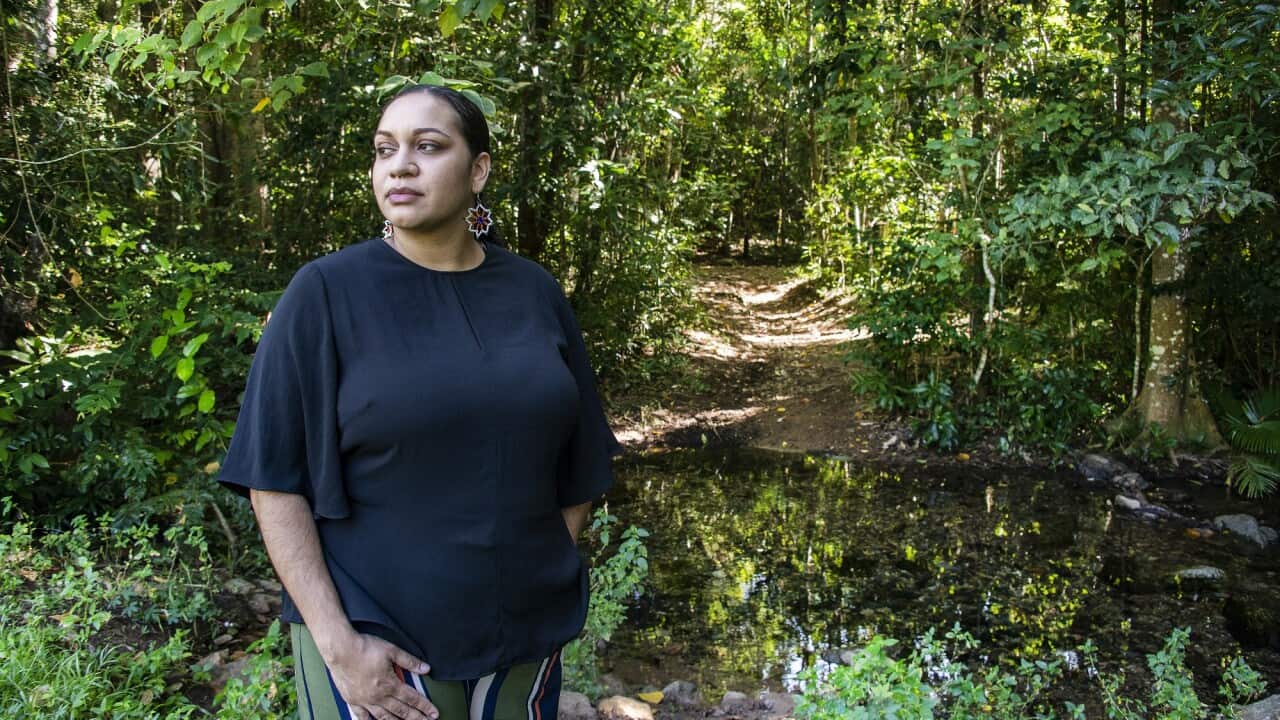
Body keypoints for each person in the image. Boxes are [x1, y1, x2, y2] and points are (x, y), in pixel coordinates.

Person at [218, 83, 622, 720]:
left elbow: (580, 463)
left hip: (524, 635)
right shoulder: (324, 292)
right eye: (384, 150)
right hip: (377, 636)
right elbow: (273, 479)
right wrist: (337, 641)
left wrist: (539, 571)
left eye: (427, 146)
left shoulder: (533, 291)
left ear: (478, 170)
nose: (399, 164)